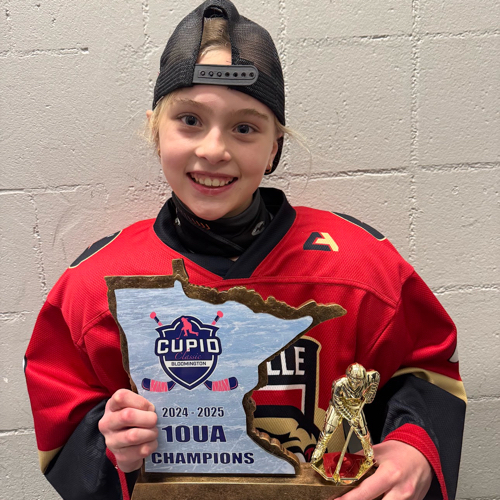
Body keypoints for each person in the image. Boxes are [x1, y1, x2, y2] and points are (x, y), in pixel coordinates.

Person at [24, 1, 466, 499]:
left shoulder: (361, 266)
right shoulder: (94, 285)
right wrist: (110, 444)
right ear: (155, 130)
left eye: (245, 128)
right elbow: (64, 414)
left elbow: (426, 367)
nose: (214, 149)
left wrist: (415, 446)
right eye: (189, 119)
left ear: (275, 145)